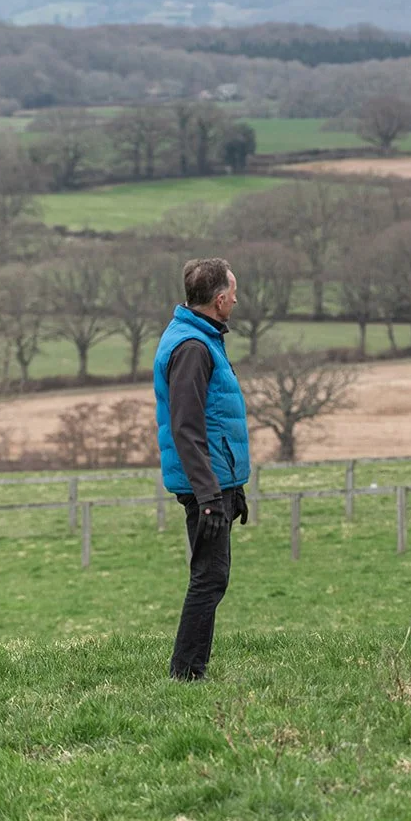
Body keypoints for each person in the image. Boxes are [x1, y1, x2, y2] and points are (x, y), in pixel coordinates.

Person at [156, 257, 252, 681]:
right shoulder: (193, 348)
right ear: (218, 299)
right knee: (209, 578)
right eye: (233, 291)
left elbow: (213, 421)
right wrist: (211, 495)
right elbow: (187, 427)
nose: (236, 297)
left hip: (215, 481)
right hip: (205, 486)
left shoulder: (201, 337)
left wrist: (233, 488)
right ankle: (187, 672)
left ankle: (189, 668)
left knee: (212, 576)